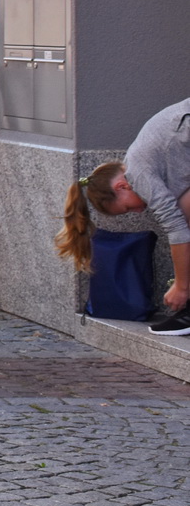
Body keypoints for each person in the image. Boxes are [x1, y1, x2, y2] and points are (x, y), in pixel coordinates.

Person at [57, 98, 190, 335]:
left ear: (121, 187)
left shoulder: (139, 173)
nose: (139, 211)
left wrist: (181, 286)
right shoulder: (145, 161)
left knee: (181, 215)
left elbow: (177, 230)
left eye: (127, 208)